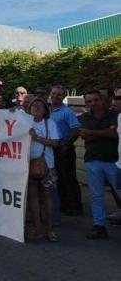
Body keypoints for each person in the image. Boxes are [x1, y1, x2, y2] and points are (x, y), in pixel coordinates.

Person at [78, 90, 120, 239]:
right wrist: (104, 132)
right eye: (89, 101)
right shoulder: (84, 117)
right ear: (86, 103)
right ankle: (99, 226)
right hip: (93, 161)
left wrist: (91, 133)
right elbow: (83, 134)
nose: (93, 103)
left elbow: (114, 134)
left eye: (95, 100)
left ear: (101, 100)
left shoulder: (114, 115)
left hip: (114, 161)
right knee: (96, 196)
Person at [26, 98, 60, 241]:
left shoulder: (50, 123)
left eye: (39, 106)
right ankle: (37, 228)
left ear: (45, 110)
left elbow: (55, 143)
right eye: (33, 105)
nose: (36, 108)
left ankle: (50, 229)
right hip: (29, 165)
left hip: (47, 165)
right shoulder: (25, 122)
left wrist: (37, 137)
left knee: (47, 198)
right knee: (33, 197)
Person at [49, 85, 83, 216]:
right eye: (53, 93)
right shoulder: (49, 110)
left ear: (63, 97)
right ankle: (64, 205)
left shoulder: (67, 111)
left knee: (69, 179)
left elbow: (76, 130)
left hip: (64, 149)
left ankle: (76, 207)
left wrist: (66, 145)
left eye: (58, 94)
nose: (55, 96)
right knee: (59, 180)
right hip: (53, 149)